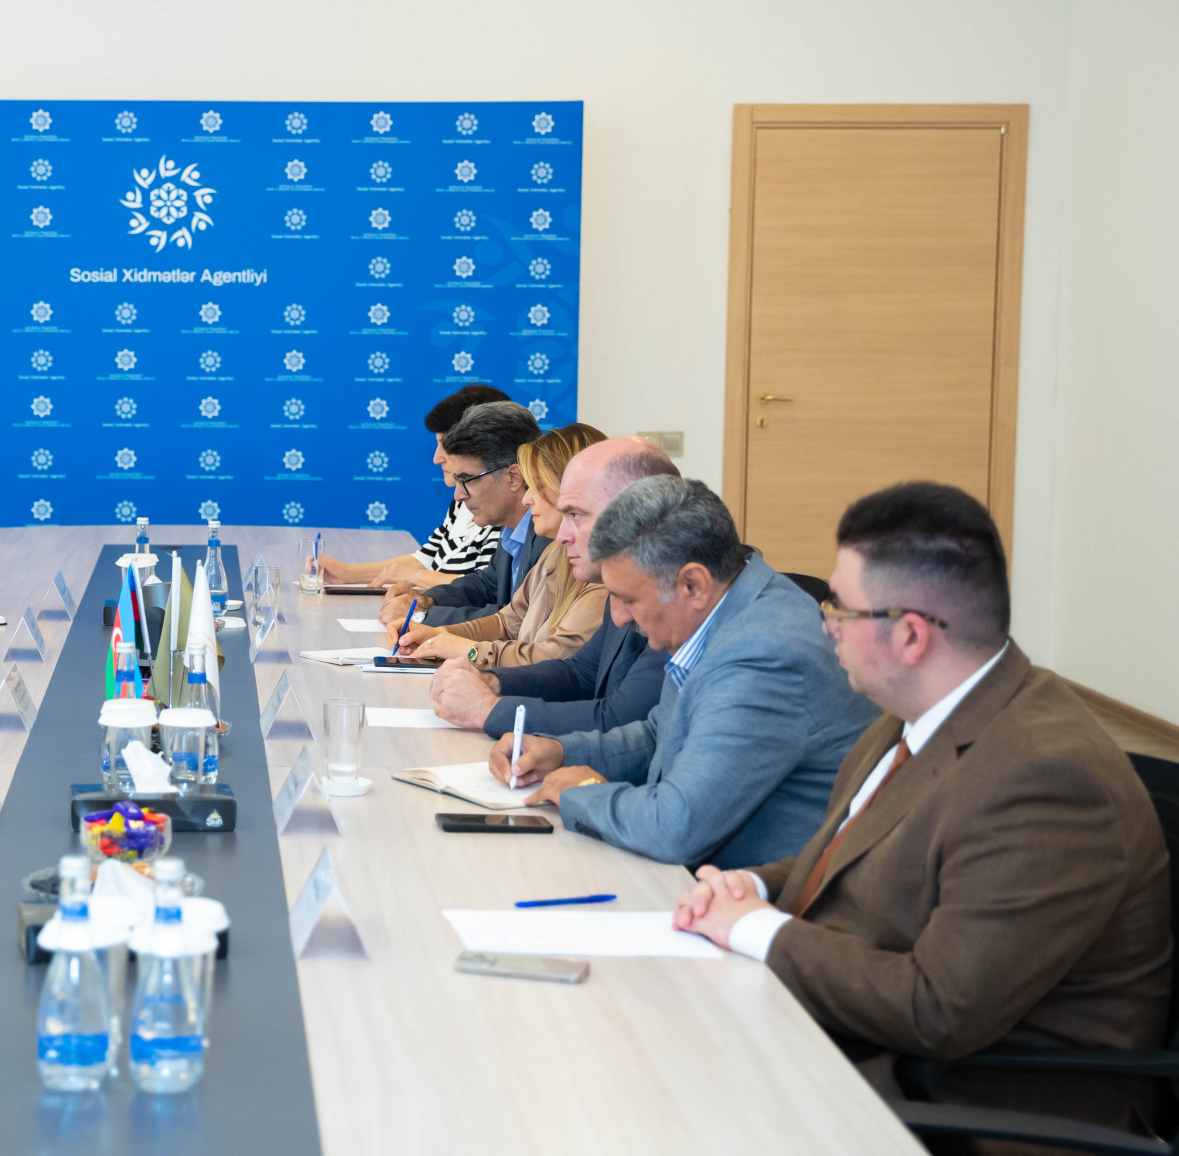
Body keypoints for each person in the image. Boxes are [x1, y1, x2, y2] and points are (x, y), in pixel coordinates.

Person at [674, 482, 1170, 1136]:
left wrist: (756, 930)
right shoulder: (914, 712)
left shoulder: (1048, 778)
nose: (825, 626)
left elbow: (938, 1010)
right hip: (856, 1042)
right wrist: (754, 886)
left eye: (839, 609)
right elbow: (858, 849)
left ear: (910, 635)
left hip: (971, 1108)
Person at [490, 476, 875, 867]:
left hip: (752, 887)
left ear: (693, 584)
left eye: (628, 599)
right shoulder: (730, 605)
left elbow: (675, 827)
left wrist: (583, 790)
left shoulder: (764, 655)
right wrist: (562, 751)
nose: (619, 618)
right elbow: (661, 732)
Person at [434, 437, 677, 737]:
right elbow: (580, 673)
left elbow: (618, 721)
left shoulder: (672, 597)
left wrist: (489, 709)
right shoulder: (623, 581)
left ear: (633, 516)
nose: (562, 536)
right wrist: (492, 681)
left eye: (575, 515)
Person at [391, 422, 608, 667]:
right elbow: (507, 622)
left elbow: (555, 659)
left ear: (575, 492)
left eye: (538, 486)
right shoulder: (554, 553)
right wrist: (437, 636)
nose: (527, 499)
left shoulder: (601, 576)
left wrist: (467, 650)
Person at [320, 383, 509, 589]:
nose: (436, 458)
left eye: (446, 445)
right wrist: (348, 574)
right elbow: (427, 558)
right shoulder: (461, 501)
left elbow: (487, 589)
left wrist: (416, 577)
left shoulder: (502, 511)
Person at [379, 401, 545, 629]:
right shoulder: (512, 528)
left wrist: (420, 618)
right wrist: (428, 600)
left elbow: (520, 622)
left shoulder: (550, 536)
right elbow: (487, 585)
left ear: (513, 477)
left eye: (467, 480)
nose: (458, 495)